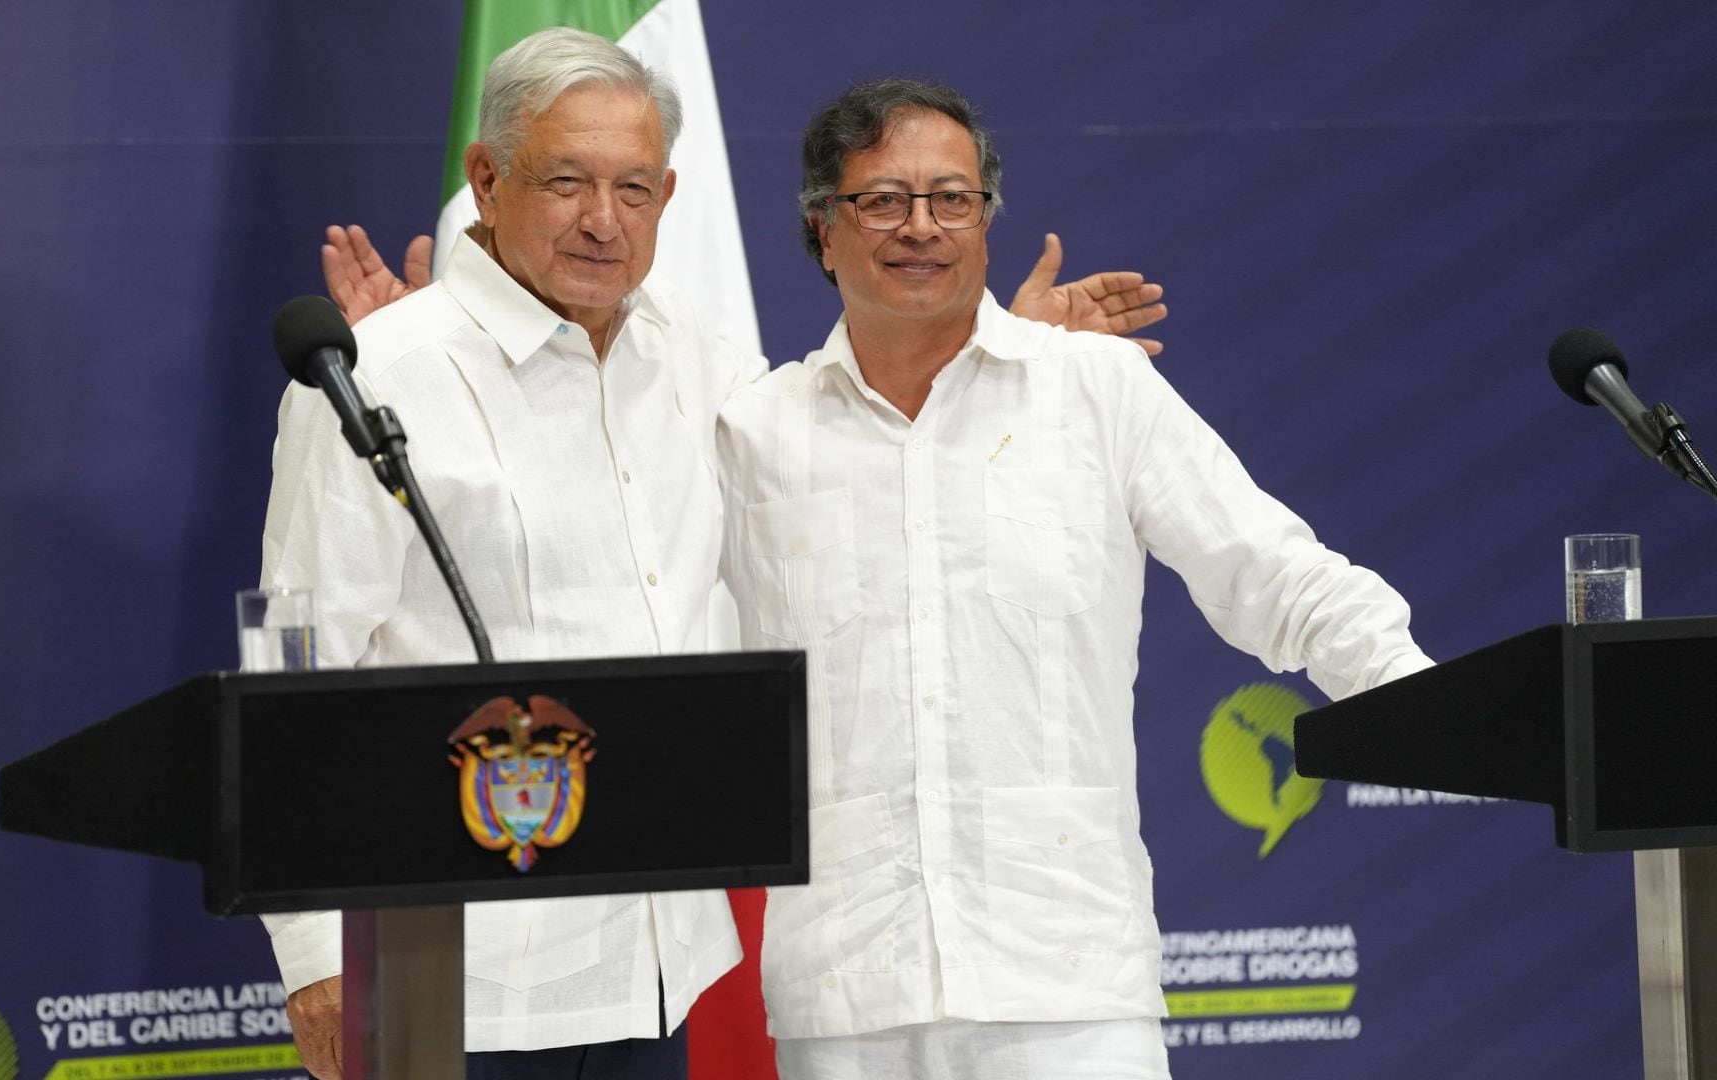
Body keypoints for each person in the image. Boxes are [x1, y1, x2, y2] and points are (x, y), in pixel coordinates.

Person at [265, 30, 1168, 1080]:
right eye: (567, 182)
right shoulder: (380, 380)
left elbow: (851, 454)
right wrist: (315, 955)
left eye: (636, 189)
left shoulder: (693, 354)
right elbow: (297, 672)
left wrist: (988, 357)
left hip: (653, 961)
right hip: (444, 968)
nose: (605, 221)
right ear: (486, 181)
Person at [712, 78, 1433, 1079]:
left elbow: (1276, 575)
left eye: (952, 199)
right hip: (847, 997)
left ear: (987, 224)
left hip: (1068, 991)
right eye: (883, 200)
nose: (921, 226)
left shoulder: (1092, 390)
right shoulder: (752, 434)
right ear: (822, 231)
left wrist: (1438, 710)